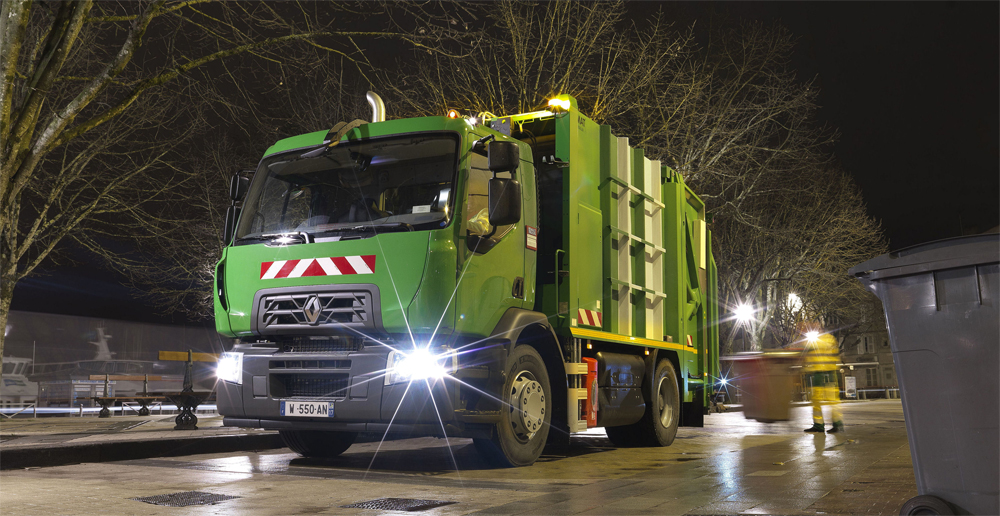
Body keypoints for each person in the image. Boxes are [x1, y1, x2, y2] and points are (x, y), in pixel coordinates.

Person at [803, 331, 844, 433]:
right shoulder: (830, 338)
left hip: (820, 373)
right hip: (829, 373)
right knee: (831, 400)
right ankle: (836, 424)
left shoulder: (814, 340)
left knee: (818, 400)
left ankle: (819, 425)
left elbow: (809, 355)